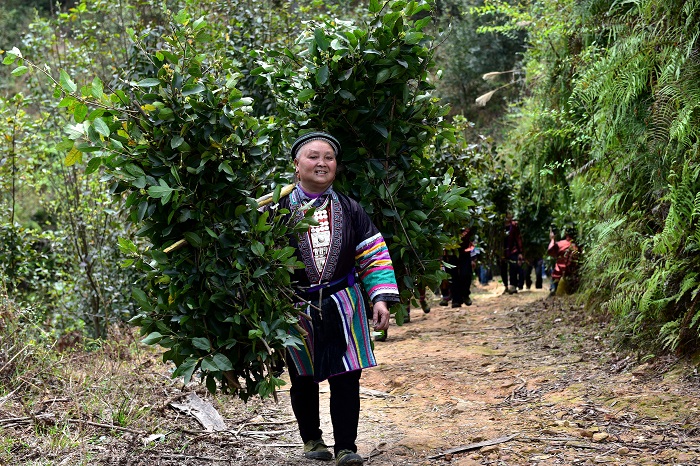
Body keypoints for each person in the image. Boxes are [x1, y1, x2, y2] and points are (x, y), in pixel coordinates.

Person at [276, 131, 400, 466]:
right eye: (313, 156)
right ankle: (312, 439)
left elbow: (373, 255)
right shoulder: (276, 209)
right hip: (295, 307)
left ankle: (346, 446)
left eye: (329, 157)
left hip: (344, 303)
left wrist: (380, 298)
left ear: (336, 166)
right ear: (296, 165)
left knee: (347, 375)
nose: (322, 163)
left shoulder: (350, 209)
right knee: (302, 375)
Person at [445, 227, 474, 307]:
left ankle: (465, 294)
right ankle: (456, 299)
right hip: (450, 252)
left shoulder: (468, 224)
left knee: (466, 274)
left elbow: (472, 238)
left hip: (465, 251)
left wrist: (474, 256)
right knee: (453, 275)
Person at [547, 225, 580, 295]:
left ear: (565, 233)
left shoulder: (561, 244)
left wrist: (552, 239)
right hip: (572, 274)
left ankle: (553, 288)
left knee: (554, 270)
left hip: (559, 273)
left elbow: (550, 251)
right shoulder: (577, 246)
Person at [499, 212, 524, 294]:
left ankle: (513, 285)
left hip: (512, 250)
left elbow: (518, 238)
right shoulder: (498, 225)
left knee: (513, 266)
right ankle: (505, 285)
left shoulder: (514, 225)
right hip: (501, 250)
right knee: (503, 268)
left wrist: (520, 251)